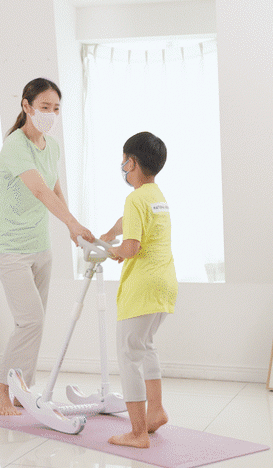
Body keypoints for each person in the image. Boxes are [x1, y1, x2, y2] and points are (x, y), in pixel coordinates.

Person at [0, 78, 94, 416]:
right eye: (44, 107)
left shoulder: (53, 146)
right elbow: (38, 190)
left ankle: (21, 389)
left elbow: (55, 188)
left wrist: (71, 227)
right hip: (11, 247)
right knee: (30, 321)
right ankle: (1, 388)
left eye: (56, 108)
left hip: (40, 245)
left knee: (35, 323)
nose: (50, 114)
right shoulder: (15, 146)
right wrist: (72, 223)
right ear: (26, 106)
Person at [100, 131, 178, 448]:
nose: (122, 166)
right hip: (165, 283)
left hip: (142, 287)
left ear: (131, 162)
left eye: (123, 161)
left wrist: (113, 251)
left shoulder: (134, 198)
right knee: (145, 347)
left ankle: (137, 432)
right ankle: (156, 412)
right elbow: (131, 223)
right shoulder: (156, 196)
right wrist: (111, 233)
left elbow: (131, 247)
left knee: (129, 356)